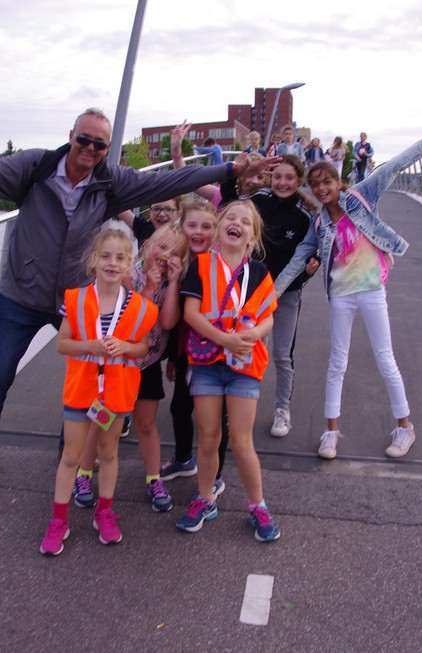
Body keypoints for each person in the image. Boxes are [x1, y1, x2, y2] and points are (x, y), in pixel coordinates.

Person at [0, 108, 277, 492]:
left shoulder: (109, 181)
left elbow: (166, 183)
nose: (90, 149)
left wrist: (230, 169)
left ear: (106, 148)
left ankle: (73, 460)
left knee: (89, 377)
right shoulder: (36, 168)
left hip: (77, 299)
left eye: (100, 144)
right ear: (71, 136)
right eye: (84, 139)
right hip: (22, 294)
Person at [274, 122, 422, 461]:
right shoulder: (319, 224)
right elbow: (295, 263)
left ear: (338, 181)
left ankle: (404, 427)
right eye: (315, 185)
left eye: (326, 182)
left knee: (385, 358)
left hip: (371, 291)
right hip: (341, 296)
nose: (321, 189)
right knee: (337, 362)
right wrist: (268, 297)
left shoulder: (361, 196)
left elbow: (394, 165)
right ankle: (331, 432)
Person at [40, 222, 158, 555]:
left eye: (120, 258)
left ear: (129, 264)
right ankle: (59, 520)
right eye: (105, 256)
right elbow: (62, 344)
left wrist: (126, 347)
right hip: (81, 391)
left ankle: (104, 512)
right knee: (72, 456)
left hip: (115, 394)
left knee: (108, 453)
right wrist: (88, 345)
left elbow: (143, 348)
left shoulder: (140, 307)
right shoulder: (76, 299)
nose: (112, 263)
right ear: (93, 260)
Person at [175, 200, 281, 542]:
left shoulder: (259, 272)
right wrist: (225, 339)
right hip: (207, 364)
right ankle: (205, 499)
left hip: (245, 365)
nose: (237, 223)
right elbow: (191, 313)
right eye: (230, 218)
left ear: (253, 237)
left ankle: (258, 505)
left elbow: (268, 316)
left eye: (245, 221)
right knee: (208, 436)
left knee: (241, 440)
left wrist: (254, 333)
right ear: (220, 228)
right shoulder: (202, 265)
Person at [72, 223, 188, 513]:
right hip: (115, 366)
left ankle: (153, 478)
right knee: (100, 421)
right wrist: (148, 288)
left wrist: (173, 283)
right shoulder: (126, 274)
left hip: (146, 364)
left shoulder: (171, 284)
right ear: (147, 246)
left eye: (176, 253)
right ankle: (83, 474)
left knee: (146, 423)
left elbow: (167, 322)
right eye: (163, 247)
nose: (167, 255)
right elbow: (133, 322)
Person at [221, 155, 318, 438]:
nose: (282, 183)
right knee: (249, 349)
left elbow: (309, 257)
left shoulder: (305, 216)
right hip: (253, 293)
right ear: (270, 177)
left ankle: (282, 409)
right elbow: (230, 202)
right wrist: (236, 172)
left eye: (289, 178)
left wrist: (308, 273)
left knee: (282, 355)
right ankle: (242, 406)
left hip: (286, 294)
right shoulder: (259, 201)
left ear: (299, 181)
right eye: (277, 177)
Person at [159, 200, 230, 498]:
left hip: (216, 355)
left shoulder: (221, 264)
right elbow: (176, 321)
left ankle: (215, 475)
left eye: (206, 226)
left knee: (214, 419)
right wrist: (173, 359)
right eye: (192, 225)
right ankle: (184, 459)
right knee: (179, 408)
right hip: (188, 352)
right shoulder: (178, 261)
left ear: (216, 231)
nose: (198, 232)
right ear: (182, 227)